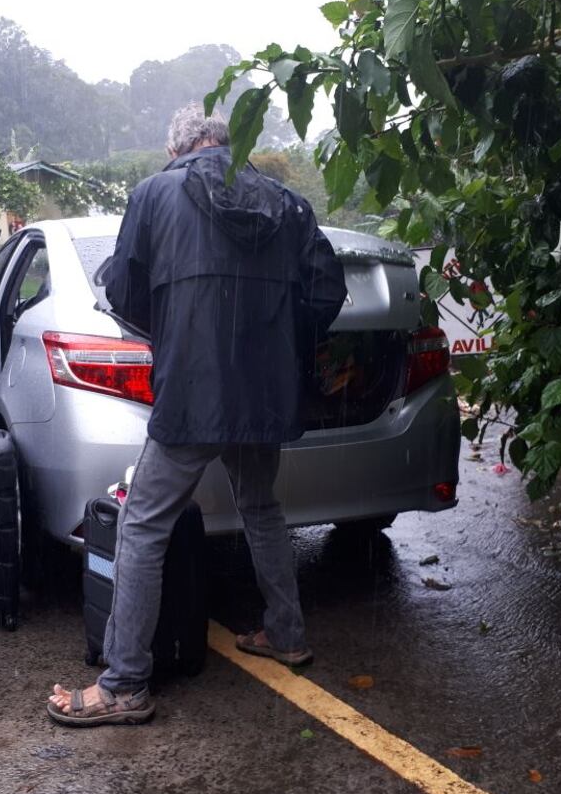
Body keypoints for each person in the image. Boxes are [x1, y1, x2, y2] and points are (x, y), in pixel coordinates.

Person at [48, 104, 347, 727]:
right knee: (260, 507)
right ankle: (286, 634)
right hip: (263, 392)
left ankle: (124, 683)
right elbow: (327, 291)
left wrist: (181, 331)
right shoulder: (288, 204)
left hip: (192, 389)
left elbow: (124, 292)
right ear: (226, 143)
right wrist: (276, 343)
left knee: (141, 525)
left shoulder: (154, 194)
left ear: (177, 149)